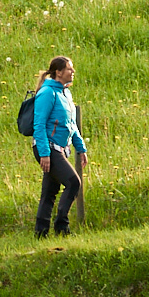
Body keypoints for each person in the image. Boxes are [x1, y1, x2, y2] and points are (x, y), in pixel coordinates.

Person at [30, 54, 87, 239]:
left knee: (49, 191)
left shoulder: (65, 93)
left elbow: (71, 125)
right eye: (69, 68)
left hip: (59, 148)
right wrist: (44, 154)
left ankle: (41, 233)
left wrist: (81, 148)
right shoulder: (47, 93)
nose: (73, 71)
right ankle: (62, 226)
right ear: (59, 72)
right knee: (73, 182)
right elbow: (39, 124)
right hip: (47, 148)